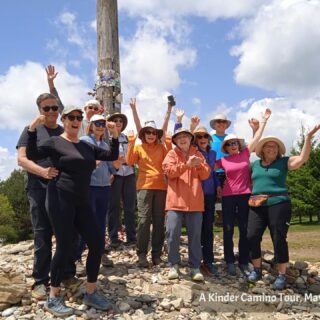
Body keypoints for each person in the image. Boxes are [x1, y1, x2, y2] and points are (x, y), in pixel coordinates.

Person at [25, 106, 119, 317]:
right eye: (71, 117)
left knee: (96, 243)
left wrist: (113, 134)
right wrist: (32, 128)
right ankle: (53, 297)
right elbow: (32, 153)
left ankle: (91, 292)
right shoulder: (56, 141)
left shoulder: (86, 146)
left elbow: (111, 154)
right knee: (65, 246)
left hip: (82, 201)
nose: (75, 121)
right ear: (64, 119)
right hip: (60, 199)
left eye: (78, 118)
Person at [16, 65, 79, 300]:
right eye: (47, 108)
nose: (52, 111)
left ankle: (66, 273)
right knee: (43, 234)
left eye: (54, 108)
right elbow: (21, 159)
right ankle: (40, 280)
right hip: (38, 187)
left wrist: (53, 85)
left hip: (63, 188)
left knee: (67, 232)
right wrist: (42, 172)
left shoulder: (65, 130)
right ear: (39, 110)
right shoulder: (31, 130)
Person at [247, 124, 320, 290]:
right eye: (267, 146)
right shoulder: (254, 165)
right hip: (257, 204)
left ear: (278, 150)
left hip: (279, 204)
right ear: (262, 149)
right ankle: (257, 269)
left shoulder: (284, 162)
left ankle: (281, 274)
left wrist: (308, 137)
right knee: (251, 236)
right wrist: (255, 130)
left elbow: (303, 158)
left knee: (278, 238)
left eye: (274, 146)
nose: (271, 148)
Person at [215, 109, 271, 276]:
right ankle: (230, 261)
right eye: (230, 144)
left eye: (235, 143)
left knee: (245, 229)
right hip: (228, 197)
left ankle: (244, 261)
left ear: (239, 145)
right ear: (226, 147)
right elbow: (205, 167)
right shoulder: (222, 160)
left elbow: (256, 139)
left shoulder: (245, 153)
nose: (233, 146)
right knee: (228, 229)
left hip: (245, 194)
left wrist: (263, 122)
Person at [163, 128, 211, 281]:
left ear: (191, 139)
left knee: (195, 236)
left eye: (186, 136)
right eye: (179, 137)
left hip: (195, 203)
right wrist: (186, 165)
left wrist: (197, 165)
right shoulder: (171, 154)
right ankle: (173, 264)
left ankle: (195, 267)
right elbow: (169, 172)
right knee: (172, 234)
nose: (183, 139)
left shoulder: (198, 154)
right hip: (175, 202)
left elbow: (205, 175)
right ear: (175, 141)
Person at [126, 121, 172, 267]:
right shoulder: (139, 147)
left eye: (153, 132)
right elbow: (129, 161)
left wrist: (169, 143)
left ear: (157, 135)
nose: (151, 135)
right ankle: (141, 255)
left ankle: (156, 255)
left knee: (159, 222)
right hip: (144, 187)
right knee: (143, 221)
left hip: (161, 187)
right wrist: (131, 143)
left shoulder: (162, 147)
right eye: (148, 132)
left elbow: (170, 160)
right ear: (143, 134)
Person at [77, 114, 117, 268]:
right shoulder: (85, 141)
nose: (101, 126)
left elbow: (110, 166)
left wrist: (113, 171)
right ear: (91, 125)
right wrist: (98, 162)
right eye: (97, 123)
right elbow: (84, 164)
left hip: (104, 188)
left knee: (101, 223)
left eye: (103, 123)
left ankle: (98, 253)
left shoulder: (106, 145)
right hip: (89, 187)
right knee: (85, 222)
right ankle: (77, 257)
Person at [193, 126, 222, 277]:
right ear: (195, 139)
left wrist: (218, 185)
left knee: (208, 229)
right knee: (196, 228)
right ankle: (195, 261)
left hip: (210, 194)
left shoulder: (212, 153)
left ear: (208, 139)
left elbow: (213, 172)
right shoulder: (192, 152)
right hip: (195, 195)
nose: (202, 139)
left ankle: (208, 261)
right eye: (199, 136)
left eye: (205, 136)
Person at [106, 111, 137, 247]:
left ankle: (131, 237)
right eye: (115, 120)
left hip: (129, 173)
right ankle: (113, 238)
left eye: (120, 121)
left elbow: (133, 155)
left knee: (130, 207)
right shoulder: (107, 138)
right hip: (115, 174)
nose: (118, 123)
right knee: (113, 207)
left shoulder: (128, 138)